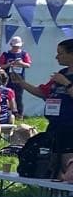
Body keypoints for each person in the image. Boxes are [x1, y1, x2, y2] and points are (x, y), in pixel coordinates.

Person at [18, 35, 73, 180]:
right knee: (51, 162)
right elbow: (43, 92)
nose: (56, 57)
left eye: (60, 53)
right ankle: (52, 196)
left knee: (67, 164)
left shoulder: (63, 78)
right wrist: (21, 83)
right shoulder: (61, 73)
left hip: (71, 126)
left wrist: (67, 83)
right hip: (55, 125)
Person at [1, 34, 32, 120]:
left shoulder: (24, 54)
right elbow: (0, 65)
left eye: (17, 46)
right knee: (7, 96)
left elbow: (28, 65)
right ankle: (8, 114)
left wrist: (21, 63)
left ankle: (19, 115)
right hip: (7, 79)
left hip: (19, 79)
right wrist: (9, 64)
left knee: (18, 97)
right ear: (11, 45)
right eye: (14, 46)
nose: (16, 48)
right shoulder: (6, 54)